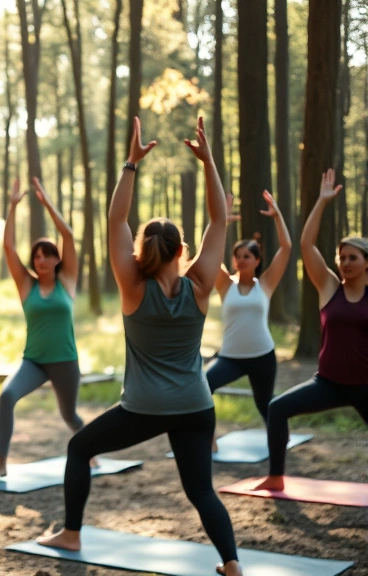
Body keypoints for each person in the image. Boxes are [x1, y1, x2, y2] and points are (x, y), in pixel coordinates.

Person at [37, 117, 242, 576]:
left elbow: (115, 220)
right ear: (180, 251)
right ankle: (231, 564)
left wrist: (131, 163)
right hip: (195, 405)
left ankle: (71, 532)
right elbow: (219, 217)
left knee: (78, 448)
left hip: (145, 408)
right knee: (201, 491)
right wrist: (208, 161)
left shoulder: (132, 287)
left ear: (144, 250)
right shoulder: (202, 285)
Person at [255, 170, 368, 492]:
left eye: (353, 257)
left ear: (366, 262)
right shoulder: (330, 287)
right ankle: (276, 477)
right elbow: (306, 244)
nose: (345, 262)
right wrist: (321, 201)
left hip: (366, 384)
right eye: (342, 257)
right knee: (277, 409)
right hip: (329, 383)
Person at [0, 177, 88, 481]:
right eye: (37, 255)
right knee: (7, 396)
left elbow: (69, 236)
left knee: (70, 417)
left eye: (47, 254)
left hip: (65, 362)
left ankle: (91, 450)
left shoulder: (67, 282)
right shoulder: (26, 285)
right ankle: (2, 463)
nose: (41, 259)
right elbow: (7, 245)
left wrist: (47, 204)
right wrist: (12, 206)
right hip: (33, 361)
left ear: (58, 260)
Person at [205, 191, 290, 432]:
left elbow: (286, 247)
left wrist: (277, 216)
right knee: (203, 387)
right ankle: (208, 438)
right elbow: (209, 252)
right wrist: (219, 221)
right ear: (233, 261)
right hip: (230, 357)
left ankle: (280, 443)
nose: (241, 259)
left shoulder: (265, 284)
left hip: (262, 356)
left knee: (266, 405)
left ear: (257, 260)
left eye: (247, 256)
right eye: (237, 256)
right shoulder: (224, 284)